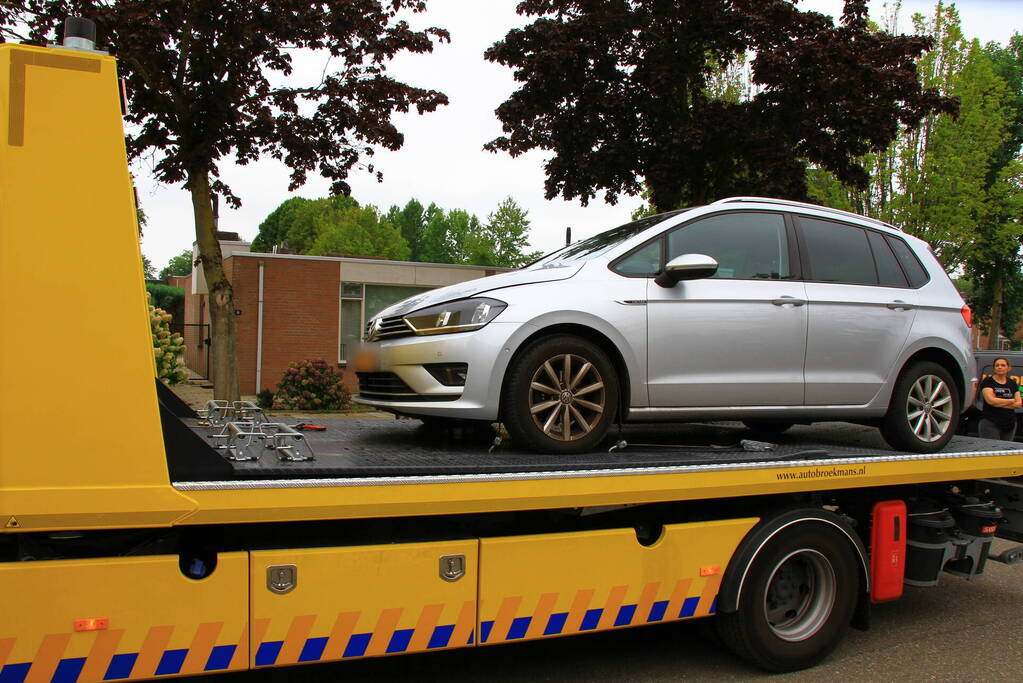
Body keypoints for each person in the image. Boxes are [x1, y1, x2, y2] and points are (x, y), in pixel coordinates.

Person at [978, 357, 1021, 441]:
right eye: (997, 365)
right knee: (992, 448)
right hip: (990, 422)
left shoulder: (1012, 383)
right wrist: (1011, 400)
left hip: (1010, 423)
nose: (1000, 367)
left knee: (1006, 448)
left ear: (1009, 368)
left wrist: (998, 402)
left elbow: (1018, 403)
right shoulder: (988, 381)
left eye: (1003, 365)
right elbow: (991, 401)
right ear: (994, 368)